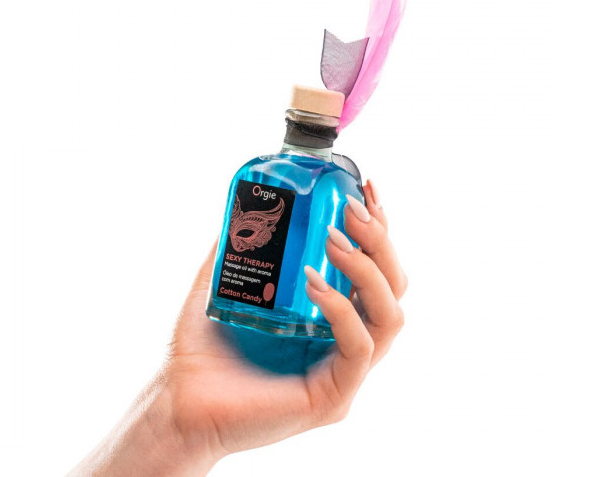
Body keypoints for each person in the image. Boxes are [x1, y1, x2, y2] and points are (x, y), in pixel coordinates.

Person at [68, 179, 407, 476]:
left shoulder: (306, 179)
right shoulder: (261, 174)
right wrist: (176, 422)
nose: (240, 243)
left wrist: (181, 429)